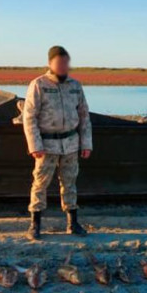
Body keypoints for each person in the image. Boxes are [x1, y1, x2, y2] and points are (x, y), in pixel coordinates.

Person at [22, 45, 93, 240]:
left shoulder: (75, 86)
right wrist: (34, 146)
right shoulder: (39, 85)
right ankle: (35, 225)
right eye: (58, 63)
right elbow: (29, 117)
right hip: (46, 145)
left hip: (70, 143)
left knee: (70, 183)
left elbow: (84, 116)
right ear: (50, 64)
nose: (62, 66)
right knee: (40, 183)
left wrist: (86, 144)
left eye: (65, 63)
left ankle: (72, 222)